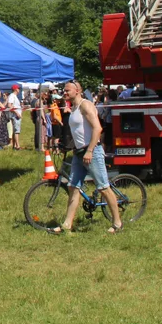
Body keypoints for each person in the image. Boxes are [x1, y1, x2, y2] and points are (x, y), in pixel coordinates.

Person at [55, 81, 123, 235]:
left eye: (67, 90)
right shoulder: (73, 108)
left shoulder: (85, 105)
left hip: (91, 151)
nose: (64, 93)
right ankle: (67, 224)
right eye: (63, 90)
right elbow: (79, 131)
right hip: (79, 153)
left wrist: (90, 150)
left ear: (77, 90)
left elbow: (97, 128)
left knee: (103, 187)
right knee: (73, 187)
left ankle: (117, 223)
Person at [7, 85, 23, 150]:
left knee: (15, 131)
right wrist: (17, 113)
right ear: (16, 89)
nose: (19, 89)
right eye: (18, 88)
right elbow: (9, 106)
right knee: (17, 131)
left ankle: (14, 145)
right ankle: (17, 146)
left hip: (17, 116)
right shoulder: (12, 96)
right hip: (15, 116)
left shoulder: (14, 96)